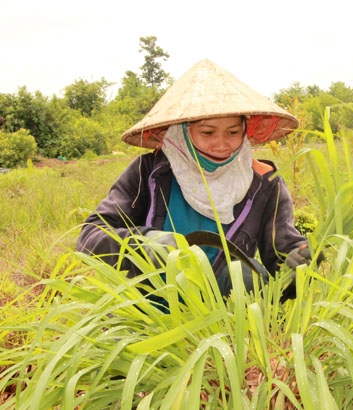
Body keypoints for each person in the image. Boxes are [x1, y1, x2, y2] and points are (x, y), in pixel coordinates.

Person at [76, 59, 313, 302]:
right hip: (151, 310)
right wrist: (146, 243)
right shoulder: (149, 172)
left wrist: (299, 263)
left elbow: (281, 257)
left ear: (245, 129)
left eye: (233, 132)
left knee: (245, 273)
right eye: (207, 132)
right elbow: (90, 236)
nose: (221, 145)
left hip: (227, 312)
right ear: (183, 131)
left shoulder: (264, 182)